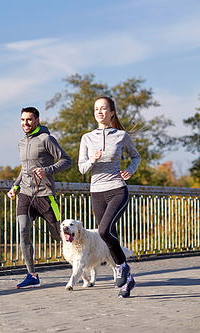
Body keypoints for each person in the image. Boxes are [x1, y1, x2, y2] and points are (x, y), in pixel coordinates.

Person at [78, 96, 141, 298]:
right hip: (97, 191)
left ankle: (122, 267)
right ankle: (127, 280)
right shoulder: (87, 138)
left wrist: (130, 170)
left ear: (111, 112)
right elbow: (81, 169)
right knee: (107, 235)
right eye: (96, 108)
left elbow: (135, 156)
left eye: (103, 108)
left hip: (117, 189)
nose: (99, 111)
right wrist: (92, 160)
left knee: (104, 231)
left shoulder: (121, 135)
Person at [7, 107, 72, 289]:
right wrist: (15, 186)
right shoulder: (21, 142)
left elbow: (66, 160)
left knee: (61, 235)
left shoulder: (46, 139)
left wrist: (47, 170)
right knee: (23, 231)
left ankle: (84, 261)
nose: (25, 123)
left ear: (37, 121)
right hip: (26, 195)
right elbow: (24, 168)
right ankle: (32, 275)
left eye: (29, 120)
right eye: (22, 120)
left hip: (45, 195)